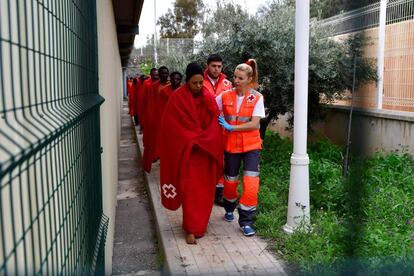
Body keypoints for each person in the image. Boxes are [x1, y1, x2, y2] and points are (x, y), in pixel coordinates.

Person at [159, 62, 224, 244]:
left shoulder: (209, 97)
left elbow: (214, 125)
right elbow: (171, 128)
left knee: (204, 193)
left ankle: (200, 225)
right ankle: (190, 229)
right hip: (187, 154)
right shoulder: (177, 98)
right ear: (187, 81)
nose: (198, 86)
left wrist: (202, 140)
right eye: (194, 83)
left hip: (205, 153)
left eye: (200, 83)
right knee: (189, 192)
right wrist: (191, 139)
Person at [216, 59, 264, 237]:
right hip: (231, 146)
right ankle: (229, 207)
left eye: (240, 78)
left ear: (249, 79)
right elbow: (209, 106)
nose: (236, 81)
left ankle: (246, 221)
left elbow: (254, 124)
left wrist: (231, 127)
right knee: (230, 181)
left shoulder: (257, 97)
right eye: (235, 77)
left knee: (251, 183)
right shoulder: (225, 96)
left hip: (251, 146)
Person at [203, 54, 233, 206]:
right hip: (205, 128)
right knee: (206, 158)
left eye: (219, 66)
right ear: (207, 66)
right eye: (213, 66)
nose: (216, 69)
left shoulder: (228, 83)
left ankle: (219, 192)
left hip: (223, 128)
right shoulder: (199, 82)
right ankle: (205, 189)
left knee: (221, 158)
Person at [142, 66, 170, 173]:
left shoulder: (172, 86)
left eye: (165, 73)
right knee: (157, 140)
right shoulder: (154, 87)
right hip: (158, 118)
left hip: (169, 119)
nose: (163, 75)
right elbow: (150, 103)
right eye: (161, 73)